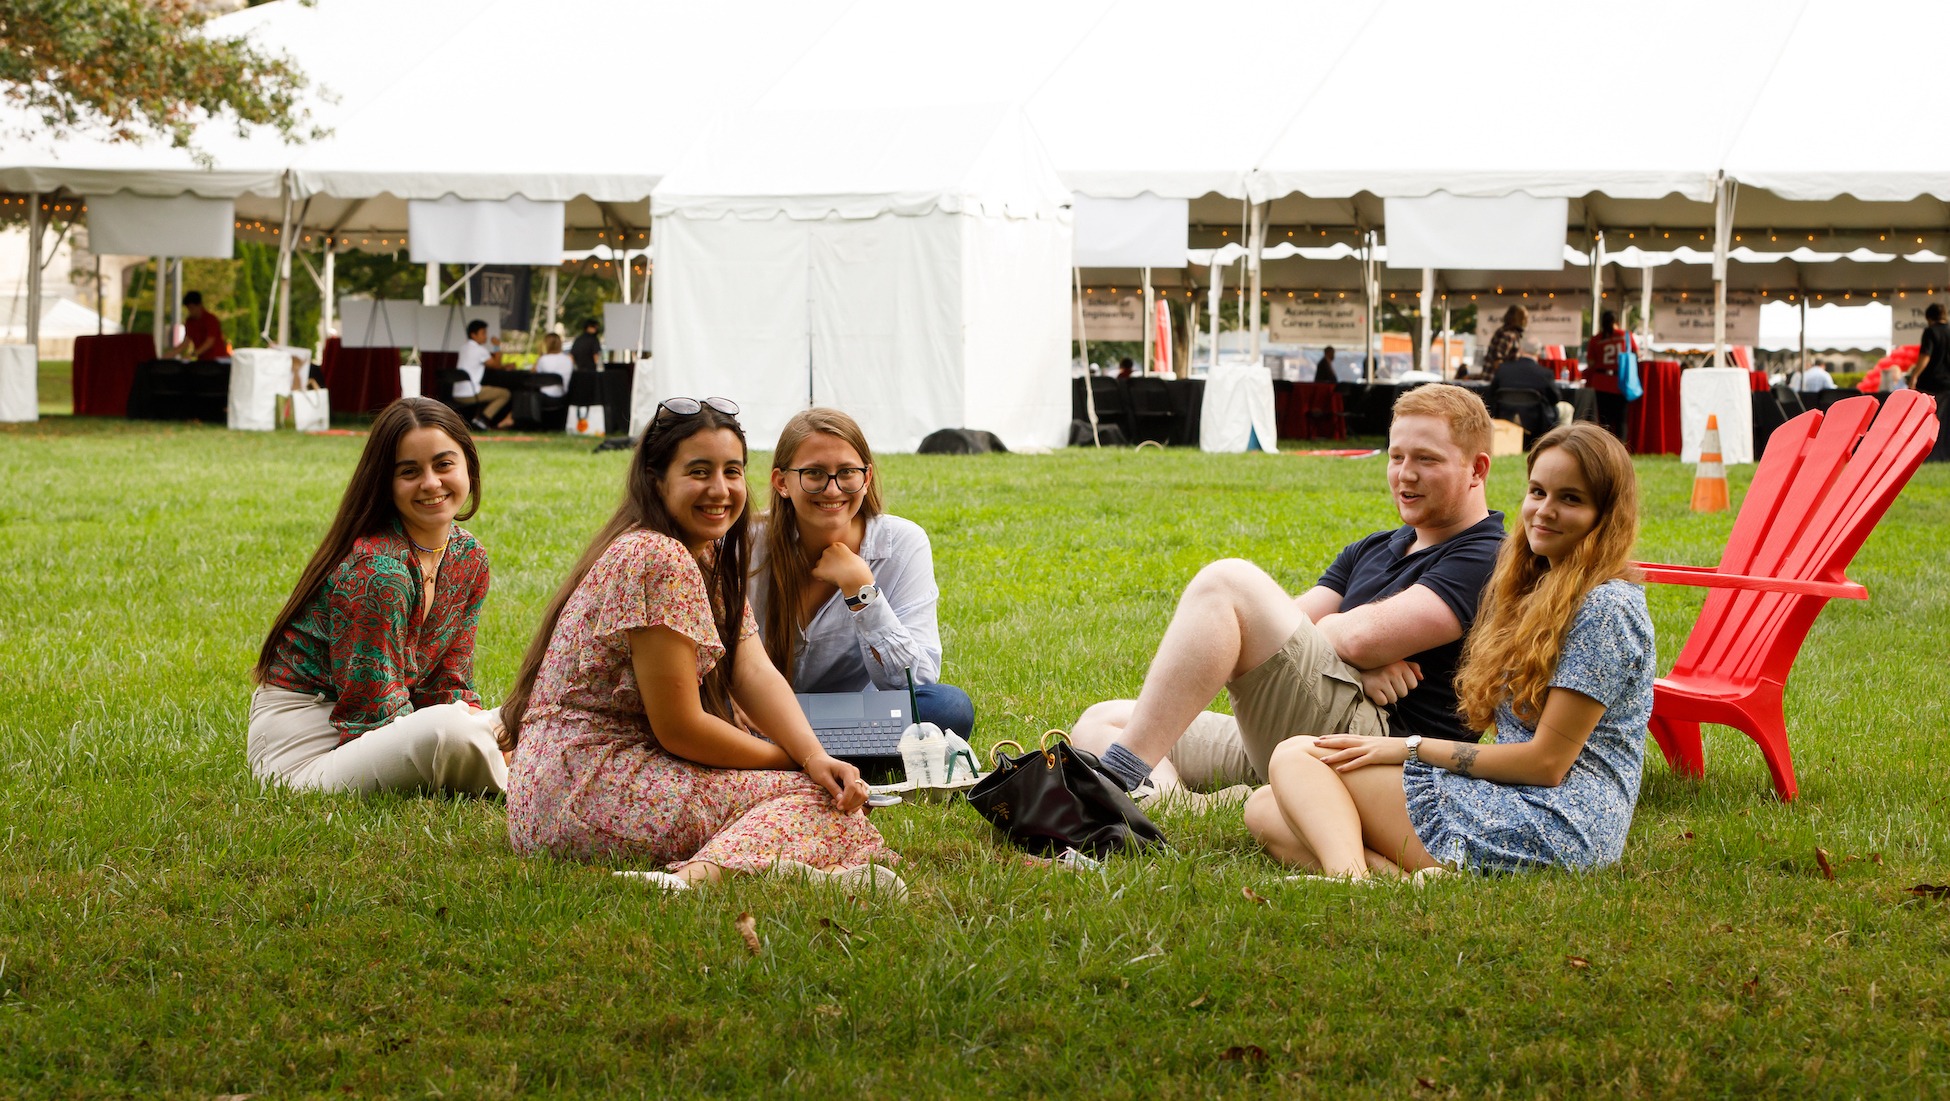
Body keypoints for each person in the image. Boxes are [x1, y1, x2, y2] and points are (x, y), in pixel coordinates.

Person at [502, 397, 900, 893]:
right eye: (698, 471)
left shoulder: (700, 552)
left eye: (732, 471)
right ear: (656, 479)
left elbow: (752, 671)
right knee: (815, 804)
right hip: (587, 788)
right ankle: (686, 882)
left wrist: (815, 756)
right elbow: (681, 729)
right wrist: (795, 763)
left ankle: (789, 872)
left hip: (562, 788)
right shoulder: (657, 556)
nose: (720, 489)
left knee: (825, 802)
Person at [1246, 423, 1653, 879]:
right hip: (1513, 796)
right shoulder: (1536, 589)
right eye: (1538, 492)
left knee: (1297, 759)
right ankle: (1396, 881)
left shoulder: (1606, 607)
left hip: (1561, 823)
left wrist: (1407, 748)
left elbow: (1545, 764)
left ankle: (1349, 881)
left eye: (1571, 499)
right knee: (1266, 806)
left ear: (1607, 514)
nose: (1545, 511)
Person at [1070, 384, 1505, 805]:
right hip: (1310, 728)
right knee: (1100, 722)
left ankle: (1116, 785)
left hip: (1378, 753)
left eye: (1426, 459)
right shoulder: (1376, 546)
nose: (1405, 473)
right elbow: (1281, 633)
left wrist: (1346, 654)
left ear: (1477, 469)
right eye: (1396, 456)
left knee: (1228, 583)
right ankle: (1192, 805)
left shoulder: (1488, 556)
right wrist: (1357, 670)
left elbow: (1355, 639)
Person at [248, 397, 506, 794]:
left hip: (395, 723)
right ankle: (530, 784)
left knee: (530, 713)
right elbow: (373, 715)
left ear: (468, 464)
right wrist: (474, 734)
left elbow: (448, 684)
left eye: (443, 464)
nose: (431, 483)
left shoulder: (468, 557)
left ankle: (517, 757)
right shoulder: (377, 574)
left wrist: (489, 725)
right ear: (386, 483)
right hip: (308, 748)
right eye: (409, 471)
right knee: (450, 732)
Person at [749, 408, 976, 738]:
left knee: (946, 707)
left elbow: (918, 682)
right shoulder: (746, 543)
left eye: (847, 473)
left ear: (866, 478)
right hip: (763, 710)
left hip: (857, 712)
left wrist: (862, 591)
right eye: (814, 473)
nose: (832, 489)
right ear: (782, 482)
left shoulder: (902, 543)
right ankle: (835, 752)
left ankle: (788, 751)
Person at [1489, 339, 1571, 442]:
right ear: (1539, 352)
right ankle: (1560, 442)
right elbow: (1555, 399)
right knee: (1567, 408)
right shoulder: (1545, 373)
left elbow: (1492, 393)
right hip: (1538, 419)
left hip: (1506, 414)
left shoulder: (1503, 369)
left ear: (1520, 349)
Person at [1583, 309, 1637, 439]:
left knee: (1604, 420)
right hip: (1621, 382)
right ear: (1617, 321)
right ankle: (1621, 451)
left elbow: (1590, 362)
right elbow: (1635, 355)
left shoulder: (1596, 339)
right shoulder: (1626, 336)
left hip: (1601, 382)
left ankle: (1606, 449)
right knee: (1621, 420)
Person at [1907, 304, 1950, 462]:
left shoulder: (1930, 331)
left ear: (1929, 318)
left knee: (1930, 418)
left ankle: (1929, 451)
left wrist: (1914, 375)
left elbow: (1925, 356)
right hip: (1948, 383)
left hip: (1932, 382)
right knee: (1946, 419)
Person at [457, 320, 513, 431]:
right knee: (505, 394)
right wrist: (497, 346)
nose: (486, 336)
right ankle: (483, 420)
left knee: (491, 391)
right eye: (483, 333)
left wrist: (504, 366)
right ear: (473, 335)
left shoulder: (463, 348)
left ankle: (480, 419)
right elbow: (496, 365)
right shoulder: (480, 350)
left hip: (458, 392)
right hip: (471, 392)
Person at [170, 291, 230, 361]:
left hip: (217, 359)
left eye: (192, 308)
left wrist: (193, 354)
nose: (190, 311)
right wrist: (172, 353)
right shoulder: (190, 321)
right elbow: (186, 342)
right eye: (188, 308)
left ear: (199, 305)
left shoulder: (210, 319)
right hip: (203, 360)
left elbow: (209, 341)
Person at [1481, 305, 1527, 377]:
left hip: (1495, 380)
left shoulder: (1507, 332)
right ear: (1516, 318)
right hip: (1495, 382)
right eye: (1523, 318)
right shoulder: (1508, 335)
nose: (1526, 321)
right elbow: (1498, 362)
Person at [534, 332, 573, 400]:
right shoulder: (567, 360)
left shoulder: (543, 359)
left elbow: (534, 374)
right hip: (563, 398)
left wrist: (540, 354)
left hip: (544, 398)